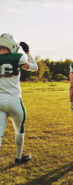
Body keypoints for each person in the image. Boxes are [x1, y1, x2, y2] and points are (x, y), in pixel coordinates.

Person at [0, 33, 38, 164]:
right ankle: (18, 157)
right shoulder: (19, 56)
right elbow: (34, 67)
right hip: (14, 99)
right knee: (19, 129)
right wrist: (27, 52)